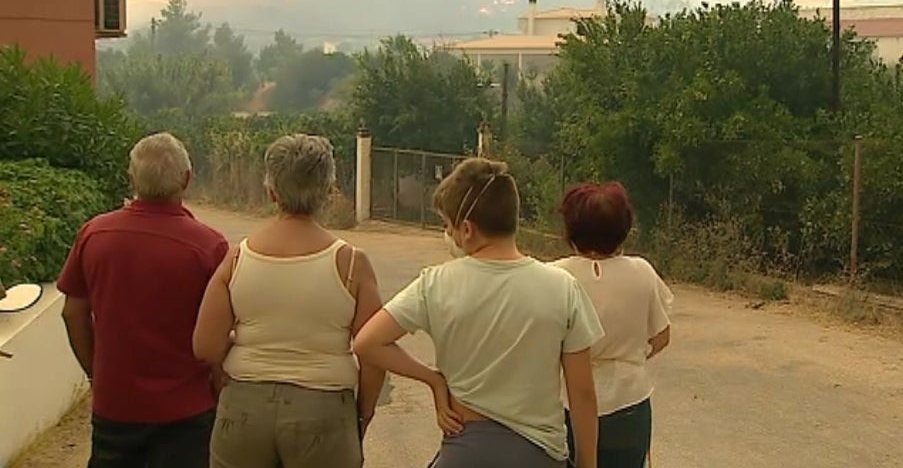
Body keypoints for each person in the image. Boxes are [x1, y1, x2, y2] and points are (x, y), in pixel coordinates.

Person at [353, 157, 605, 468]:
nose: (448, 234)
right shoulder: (563, 288)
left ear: (467, 229)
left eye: (448, 226)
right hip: (540, 454)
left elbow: (367, 342)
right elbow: (582, 393)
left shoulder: (435, 284)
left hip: (464, 451)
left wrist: (433, 379)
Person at [192, 133, 386, 468]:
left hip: (244, 408)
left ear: (271, 191)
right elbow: (374, 353)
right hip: (323, 410)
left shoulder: (237, 259)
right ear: (328, 191)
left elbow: (205, 346)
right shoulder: (352, 264)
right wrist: (362, 414)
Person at [57, 132, 229, 468]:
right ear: (187, 179)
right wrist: (219, 389)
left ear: (132, 177)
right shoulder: (209, 247)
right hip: (187, 409)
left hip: (116, 404)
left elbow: (72, 312)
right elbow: (220, 333)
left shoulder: (94, 234)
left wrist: (95, 373)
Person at [553, 182, 674, 468]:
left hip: (567, 402)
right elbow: (662, 335)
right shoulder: (642, 271)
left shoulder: (555, 276)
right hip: (629, 401)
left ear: (571, 231)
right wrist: (631, 356)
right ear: (623, 230)